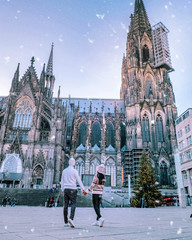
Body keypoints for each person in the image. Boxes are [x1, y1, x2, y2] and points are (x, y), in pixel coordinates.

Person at [61, 158, 86, 228]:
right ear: (74, 163)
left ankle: (65, 222)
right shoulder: (74, 171)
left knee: (65, 205)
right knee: (73, 204)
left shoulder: (64, 171)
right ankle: (71, 219)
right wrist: (83, 189)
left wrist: (62, 189)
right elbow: (79, 180)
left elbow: (62, 181)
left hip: (66, 189)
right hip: (73, 189)